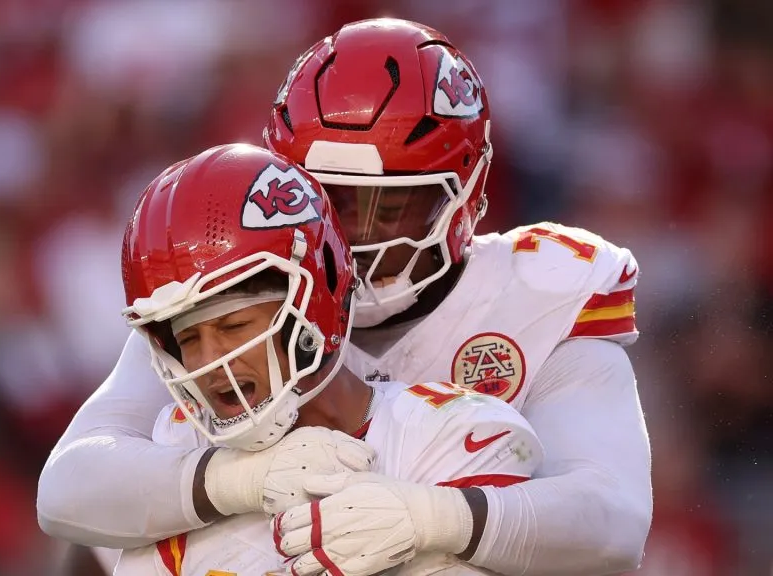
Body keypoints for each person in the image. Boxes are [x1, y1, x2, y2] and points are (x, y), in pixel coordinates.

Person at [38, 18, 652, 575]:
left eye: (394, 207)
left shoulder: (540, 291)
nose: (353, 236)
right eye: (329, 197)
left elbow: (612, 525)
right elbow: (73, 492)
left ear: (468, 192)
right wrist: (234, 481)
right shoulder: (245, 288)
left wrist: (436, 520)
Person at [110, 142, 543, 575]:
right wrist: (234, 483)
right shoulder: (174, 452)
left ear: (314, 305)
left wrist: (435, 521)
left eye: (233, 326)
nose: (209, 360)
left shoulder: (454, 435)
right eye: (188, 338)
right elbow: (66, 502)